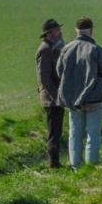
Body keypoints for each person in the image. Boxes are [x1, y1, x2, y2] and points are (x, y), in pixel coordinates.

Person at [56, 16, 102, 167]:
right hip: (94, 98)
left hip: (72, 100)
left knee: (75, 134)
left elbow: (59, 72)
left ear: (76, 30)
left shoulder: (66, 49)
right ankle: (91, 165)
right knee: (92, 134)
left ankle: (76, 165)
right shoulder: (95, 49)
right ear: (91, 31)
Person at [36, 18, 66, 168]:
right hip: (51, 99)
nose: (60, 33)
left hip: (55, 98)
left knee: (57, 131)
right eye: (56, 30)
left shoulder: (52, 48)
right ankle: (54, 164)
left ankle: (55, 162)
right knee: (54, 132)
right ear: (49, 33)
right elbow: (45, 78)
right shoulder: (45, 50)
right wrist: (57, 97)